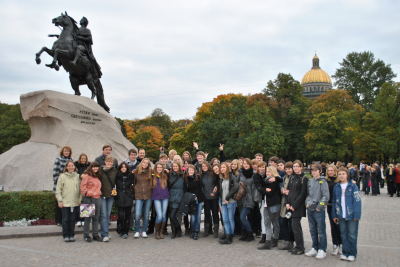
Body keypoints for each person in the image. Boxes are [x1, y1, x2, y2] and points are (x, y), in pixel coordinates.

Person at [332, 167, 362, 262]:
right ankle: (345, 252)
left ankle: (352, 253)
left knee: (352, 234)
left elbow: (357, 201)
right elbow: (334, 201)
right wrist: (334, 215)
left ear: (347, 175)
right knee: (343, 234)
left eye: (343, 174)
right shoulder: (336, 187)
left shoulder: (352, 186)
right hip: (341, 214)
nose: (341, 176)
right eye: (339, 174)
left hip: (351, 214)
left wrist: (357, 215)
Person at [305, 163, 329, 260]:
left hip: (318, 210)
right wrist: (307, 203)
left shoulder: (323, 182)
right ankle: (314, 247)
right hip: (310, 208)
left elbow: (326, 196)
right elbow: (308, 194)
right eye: (312, 170)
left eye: (315, 170)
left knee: (321, 230)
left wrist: (319, 207)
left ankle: (322, 249)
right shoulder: (310, 181)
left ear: (320, 171)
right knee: (312, 230)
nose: (313, 172)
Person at [286, 160, 308, 255]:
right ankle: (298, 245)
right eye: (294, 166)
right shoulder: (292, 177)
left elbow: (303, 194)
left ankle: (300, 247)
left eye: (297, 166)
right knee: (295, 226)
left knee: (295, 226)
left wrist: (294, 205)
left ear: (301, 167)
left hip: (298, 206)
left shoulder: (304, 178)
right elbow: (288, 191)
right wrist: (287, 203)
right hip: (290, 206)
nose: (295, 168)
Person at [56, 161, 82, 242]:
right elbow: (58, 190)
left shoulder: (78, 176)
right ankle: (65, 235)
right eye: (69, 166)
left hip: (74, 202)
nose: (71, 167)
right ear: (66, 167)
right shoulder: (62, 177)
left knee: (72, 219)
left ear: (74, 167)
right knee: (65, 219)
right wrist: (60, 201)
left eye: (72, 166)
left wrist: (80, 199)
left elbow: (81, 189)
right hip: (65, 202)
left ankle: (71, 234)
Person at [257, 166, 282, 250]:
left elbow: (270, 193)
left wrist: (261, 189)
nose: (267, 173)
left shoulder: (273, 181)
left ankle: (272, 240)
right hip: (268, 204)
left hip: (273, 204)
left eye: (269, 172)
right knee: (268, 223)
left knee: (273, 223)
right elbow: (265, 190)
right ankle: (271, 240)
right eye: (267, 171)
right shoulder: (266, 181)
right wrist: (264, 189)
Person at [80, 161, 102, 242]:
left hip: (97, 198)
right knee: (87, 218)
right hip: (88, 198)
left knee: (96, 218)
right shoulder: (86, 176)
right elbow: (83, 188)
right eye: (94, 167)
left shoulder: (97, 176)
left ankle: (95, 234)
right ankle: (86, 235)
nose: (95, 168)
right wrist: (90, 193)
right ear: (91, 167)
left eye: (97, 167)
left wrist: (98, 193)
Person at [98, 155, 118, 242]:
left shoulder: (114, 170)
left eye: (111, 162)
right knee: (103, 215)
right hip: (102, 195)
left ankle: (106, 232)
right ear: (105, 161)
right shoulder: (100, 170)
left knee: (107, 215)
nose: (109, 163)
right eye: (108, 161)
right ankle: (104, 234)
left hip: (110, 196)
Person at [218, 162, 239, 245]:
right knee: (225, 219)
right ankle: (227, 234)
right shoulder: (221, 178)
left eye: (224, 167)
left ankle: (231, 236)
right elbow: (221, 190)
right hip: (223, 202)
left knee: (230, 219)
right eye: (221, 167)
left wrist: (227, 198)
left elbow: (236, 187)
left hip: (231, 201)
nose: (222, 169)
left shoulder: (232, 177)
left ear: (227, 168)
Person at [53, 146, 73, 226]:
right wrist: (63, 180)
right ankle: (58, 221)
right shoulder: (58, 160)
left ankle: (66, 220)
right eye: (65, 151)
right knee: (59, 204)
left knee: (67, 205)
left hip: (69, 186)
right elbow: (55, 174)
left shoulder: (71, 160)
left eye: (68, 151)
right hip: (60, 185)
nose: (66, 152)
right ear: (62, 152)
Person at [184, 165, 205, 240]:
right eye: (190, 170)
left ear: (194, 171)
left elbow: (201, 188)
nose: (191, 171)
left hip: (199, 199)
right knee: (193, 217)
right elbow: (186, 192)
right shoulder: (186, 179)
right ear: (187, 171)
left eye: (192, 170)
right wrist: (192, 198)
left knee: (198, 216)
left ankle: (196, 231)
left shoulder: (198, 178)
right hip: (191, 200)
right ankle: (192, 230)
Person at [237, 158, 256, 242]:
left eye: (247, 164)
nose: (245, 165)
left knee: (242, 217)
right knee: (241, 216)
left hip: (249, 197)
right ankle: (244, 234)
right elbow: (236, 184)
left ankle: (250, 233)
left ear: (250, 164)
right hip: (241, 197)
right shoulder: (240, 173)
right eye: (244, 164)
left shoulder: (254, 174)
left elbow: (255, 187)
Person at [133, 158, 153, 238]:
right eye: (144, 162)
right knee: (137, 214)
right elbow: (133, 182)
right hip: (139, 195)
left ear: (148, 165)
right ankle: (137, 230)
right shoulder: (136, 171)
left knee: (146, 214)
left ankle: (144, 230)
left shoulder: (150, 172)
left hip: (148, 195)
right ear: (141, 163)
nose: (145, 164)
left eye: (147, 163)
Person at [115, 162, 134, 239]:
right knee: (121, 215)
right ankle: (119, 229)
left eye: (125, 167)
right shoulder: (117, 176)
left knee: (127, 216)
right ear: (120, 168)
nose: (123, 168)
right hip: (119, 197)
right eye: (122, 167)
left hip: (128, 197)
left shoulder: (130, 176)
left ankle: (125, 231)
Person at [200, 161, 220, 238]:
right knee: (207, 214)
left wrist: (215, 193)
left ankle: (216, 231)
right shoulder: (202, 176)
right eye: (203, 166)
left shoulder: (213, 174)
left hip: (214, 197)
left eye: (206, 166)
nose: (204, 167)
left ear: (208, 166)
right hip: (206, 198)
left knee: (215, 214)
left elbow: (218, 185)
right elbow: (201, 187)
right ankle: (206, 230)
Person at [326, 165, 342, 255]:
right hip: (329, 205)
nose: (330, 172)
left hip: (338, 206)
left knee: (339, 226)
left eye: (332, 170)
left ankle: (341, 244)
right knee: (333, 226)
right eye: (329, 170)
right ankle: (335, 244)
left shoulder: (338, 181)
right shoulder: (326, 181)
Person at [278, 162, 295, 250]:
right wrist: (283, 190)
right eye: (287, 169)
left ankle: (291, 241)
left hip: (292, 203)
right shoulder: (285, 177)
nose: (288, 170)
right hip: (284, 202)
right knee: (282, 222)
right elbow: (281, 187)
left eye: (289, 168)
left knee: (291, 224)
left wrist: (290, 192)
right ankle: (287, 240)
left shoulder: (295, 178)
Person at [151, 162, 170, 240]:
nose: (159, 169)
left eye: (160, 167)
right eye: (158, 167)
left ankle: (161, 232)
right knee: (159, 215)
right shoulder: (152, 176)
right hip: (156, 198)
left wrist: (168, 170)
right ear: (155, 168)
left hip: (165, 197)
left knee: (163, 214)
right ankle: (157, 232)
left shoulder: (165, 176)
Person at [168, 162, 185, 239]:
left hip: (179, 197)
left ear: (179, 167)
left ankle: (178, 228)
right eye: (173, 166)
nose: (175, 167)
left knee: (173, 215)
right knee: (171, 216)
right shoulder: (169, 175)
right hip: (171, 197)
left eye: (176, 166)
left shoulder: (183, 175)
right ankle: (174, 231)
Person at [74, 153, 90, 227]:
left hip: (87, 186)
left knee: (86, 203)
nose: (83, 160)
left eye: (84, 158)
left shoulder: (89, 165)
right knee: (78, 203)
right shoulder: (76, 164)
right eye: (82, 158)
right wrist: (80, 175)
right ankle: (78, 220)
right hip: (78, 185)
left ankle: (84, 219)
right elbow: (75, 173)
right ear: (80, 159)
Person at [125, 149, 139, 232]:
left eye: (134, 155)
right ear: (129, 155)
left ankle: (133, 225)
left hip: (136, 188)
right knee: (129, 208)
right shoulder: (125, 164)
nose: (133, 156)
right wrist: (131, 173)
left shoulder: (138, 164)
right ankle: (129, 225)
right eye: (132, 155)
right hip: (128, 188)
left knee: (134, 209)